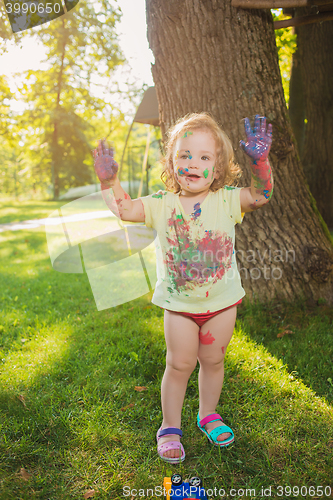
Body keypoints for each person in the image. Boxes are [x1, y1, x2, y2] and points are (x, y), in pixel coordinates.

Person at [92, 112, 273, 463]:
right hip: (179, 307)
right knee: (178, 365)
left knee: (213, 360)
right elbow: (124, 209)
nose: (192, 163)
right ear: (172, 162)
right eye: (185, 155)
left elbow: (261, 195)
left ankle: (208, 415)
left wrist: (261, 164)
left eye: (204, 157)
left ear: (218, 169)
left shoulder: (228, 200)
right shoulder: (162, 204)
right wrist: (108, 181)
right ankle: (169, 426)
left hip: (221, 304)